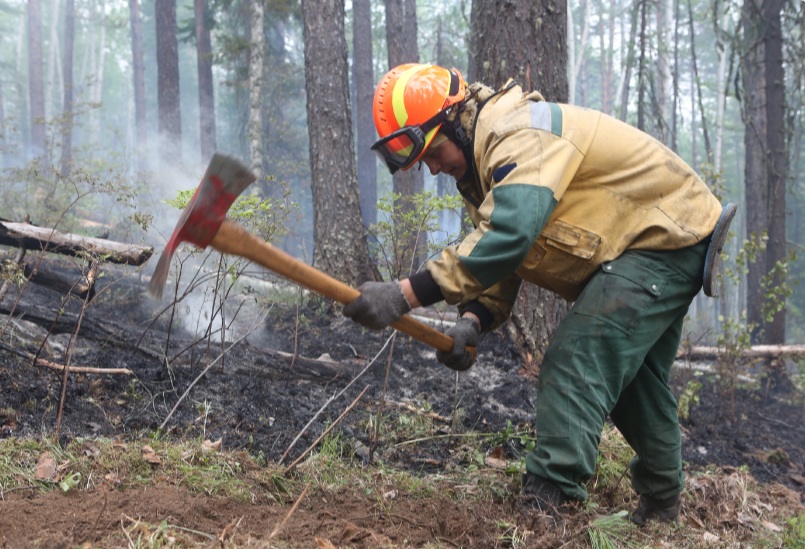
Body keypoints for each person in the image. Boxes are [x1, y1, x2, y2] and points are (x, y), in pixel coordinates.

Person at [343, 63, 736, 524]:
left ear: (453, 121)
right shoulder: (482, 167)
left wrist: (405, 294)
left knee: (577, 357)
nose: (431, 168)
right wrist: (474, 320)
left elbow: (510, 235)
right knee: (633, 382)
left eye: (432, 152)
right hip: (658, 241)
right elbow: (502, 253)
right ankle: (662, 506)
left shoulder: (517, 135)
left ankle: (550, 505)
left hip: (664, 237)